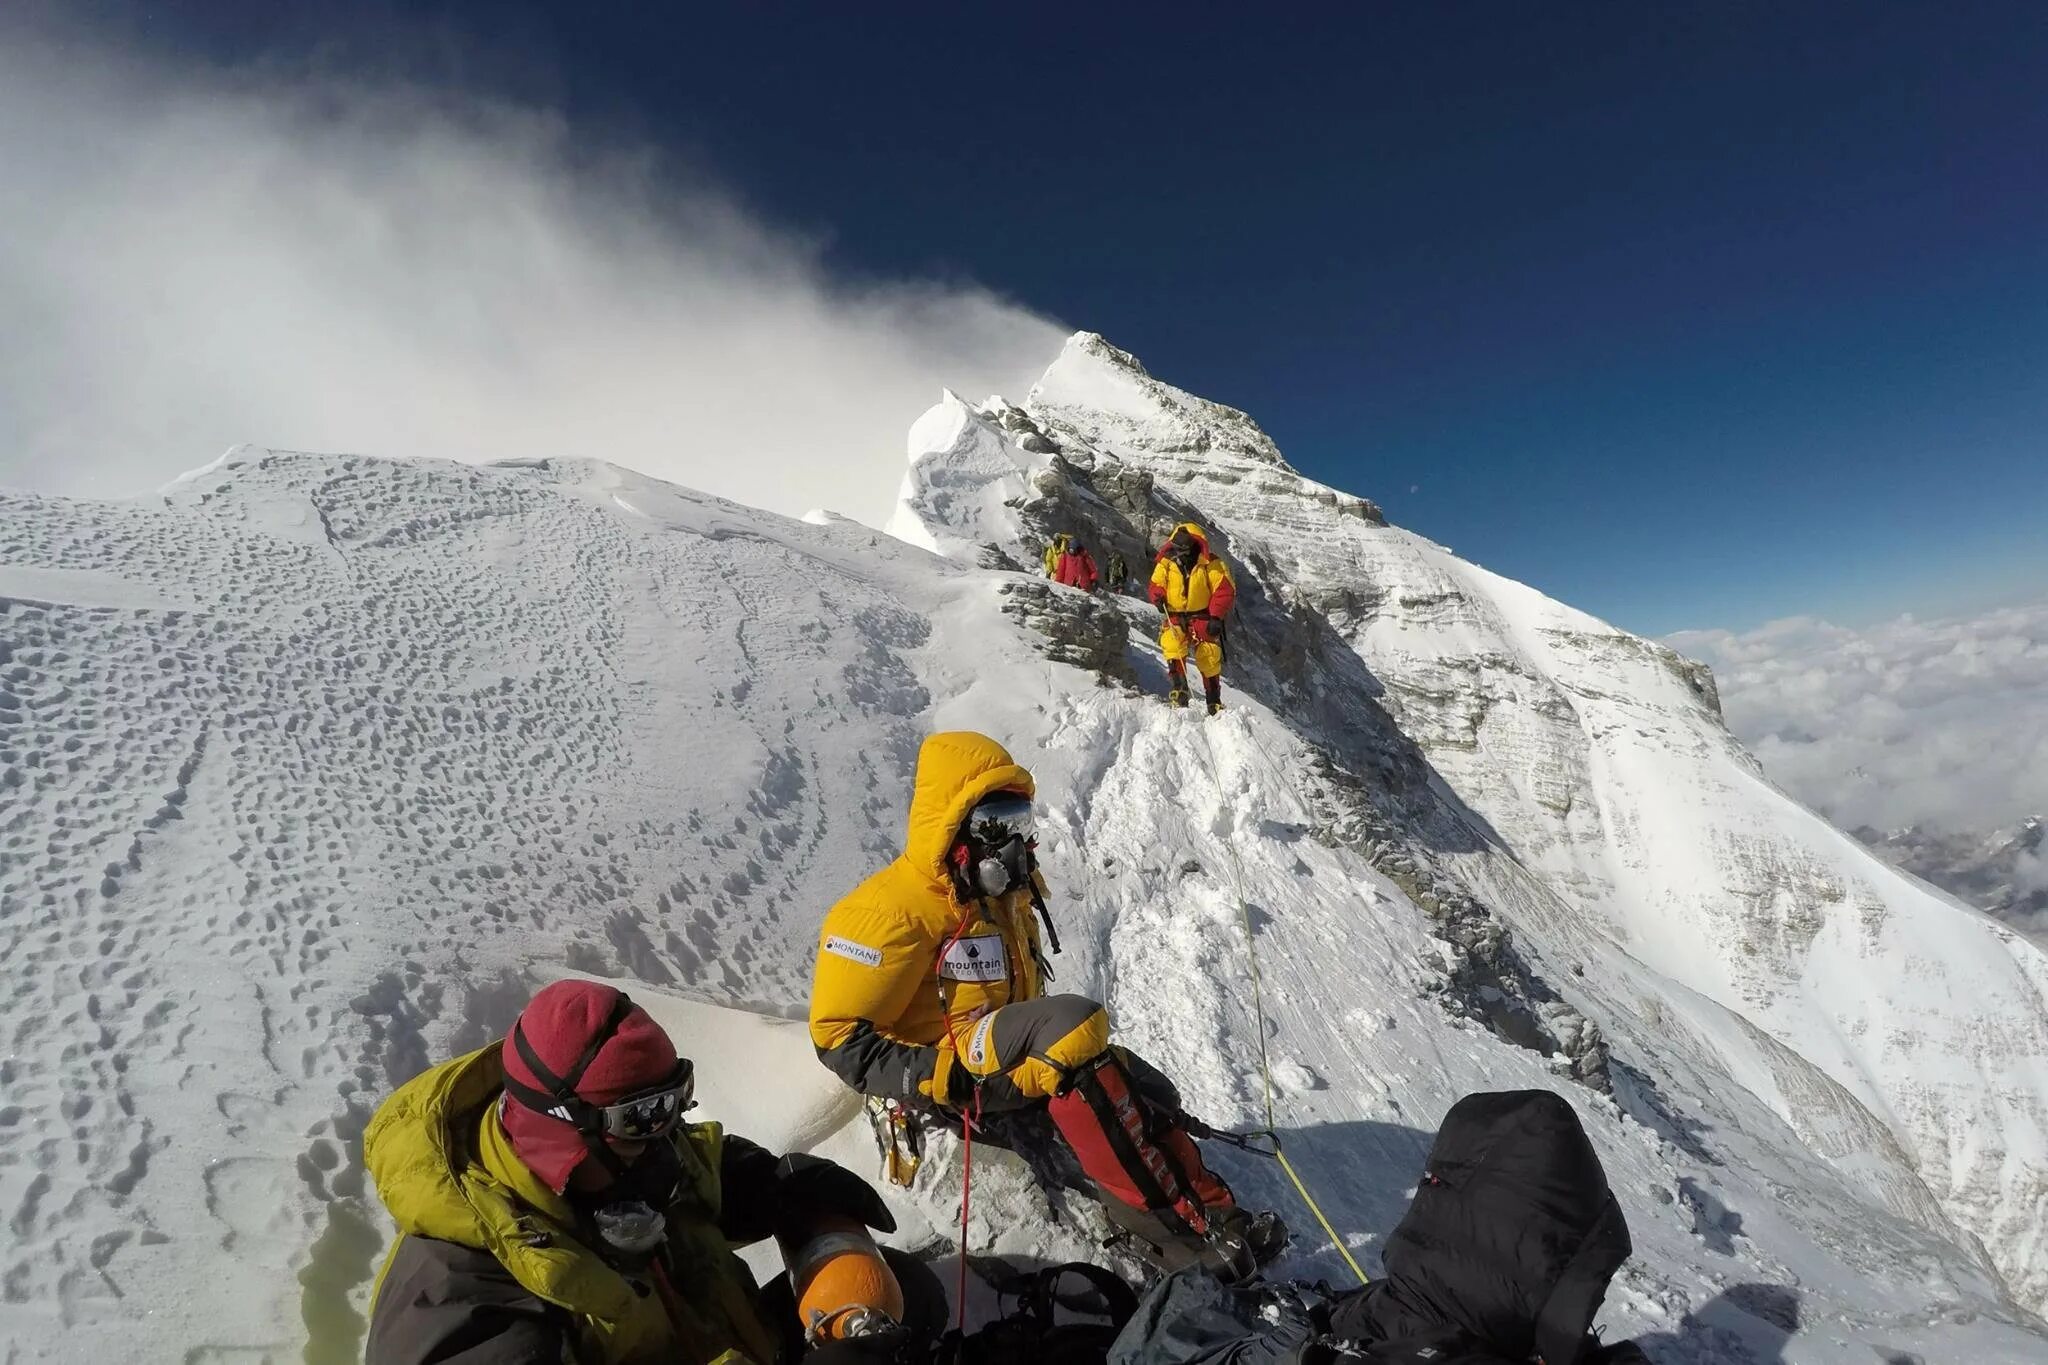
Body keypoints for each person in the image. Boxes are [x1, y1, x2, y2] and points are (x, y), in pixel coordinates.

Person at [808, 731, 1286, 1279]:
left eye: (1020, 823)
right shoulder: (888, 912)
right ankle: (1184, 1239)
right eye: (994, 825)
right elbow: (839, 1038)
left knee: (1138, 1083)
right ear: (951, 829)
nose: (1012, 843)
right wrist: (943, 1079)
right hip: (945, 1075)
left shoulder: (999, 897)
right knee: (1072, 1029)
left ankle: (1216, 1212)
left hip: (989, 1052)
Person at [364, 978, 934, 1364]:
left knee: (905, 1294)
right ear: (563, 1131)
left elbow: (706, 1167)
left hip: (724, 1338)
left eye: (673, 1103)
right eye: (641, 1116)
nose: (668, 1139)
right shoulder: (463, 1305)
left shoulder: (618, 1162)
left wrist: (781, 1182)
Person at [1147, 523, 1236, 715]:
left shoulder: (1211, 563)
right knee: (1172, 644)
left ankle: (1213, 700)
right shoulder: (1166, 562)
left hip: (1202, 615)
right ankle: (1179, 689)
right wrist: (1158, 596)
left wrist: (1215, 616)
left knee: (1209, 654)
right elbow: (1156, 583)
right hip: (1175, 615)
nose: (1179, 552)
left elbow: (1224, 590)